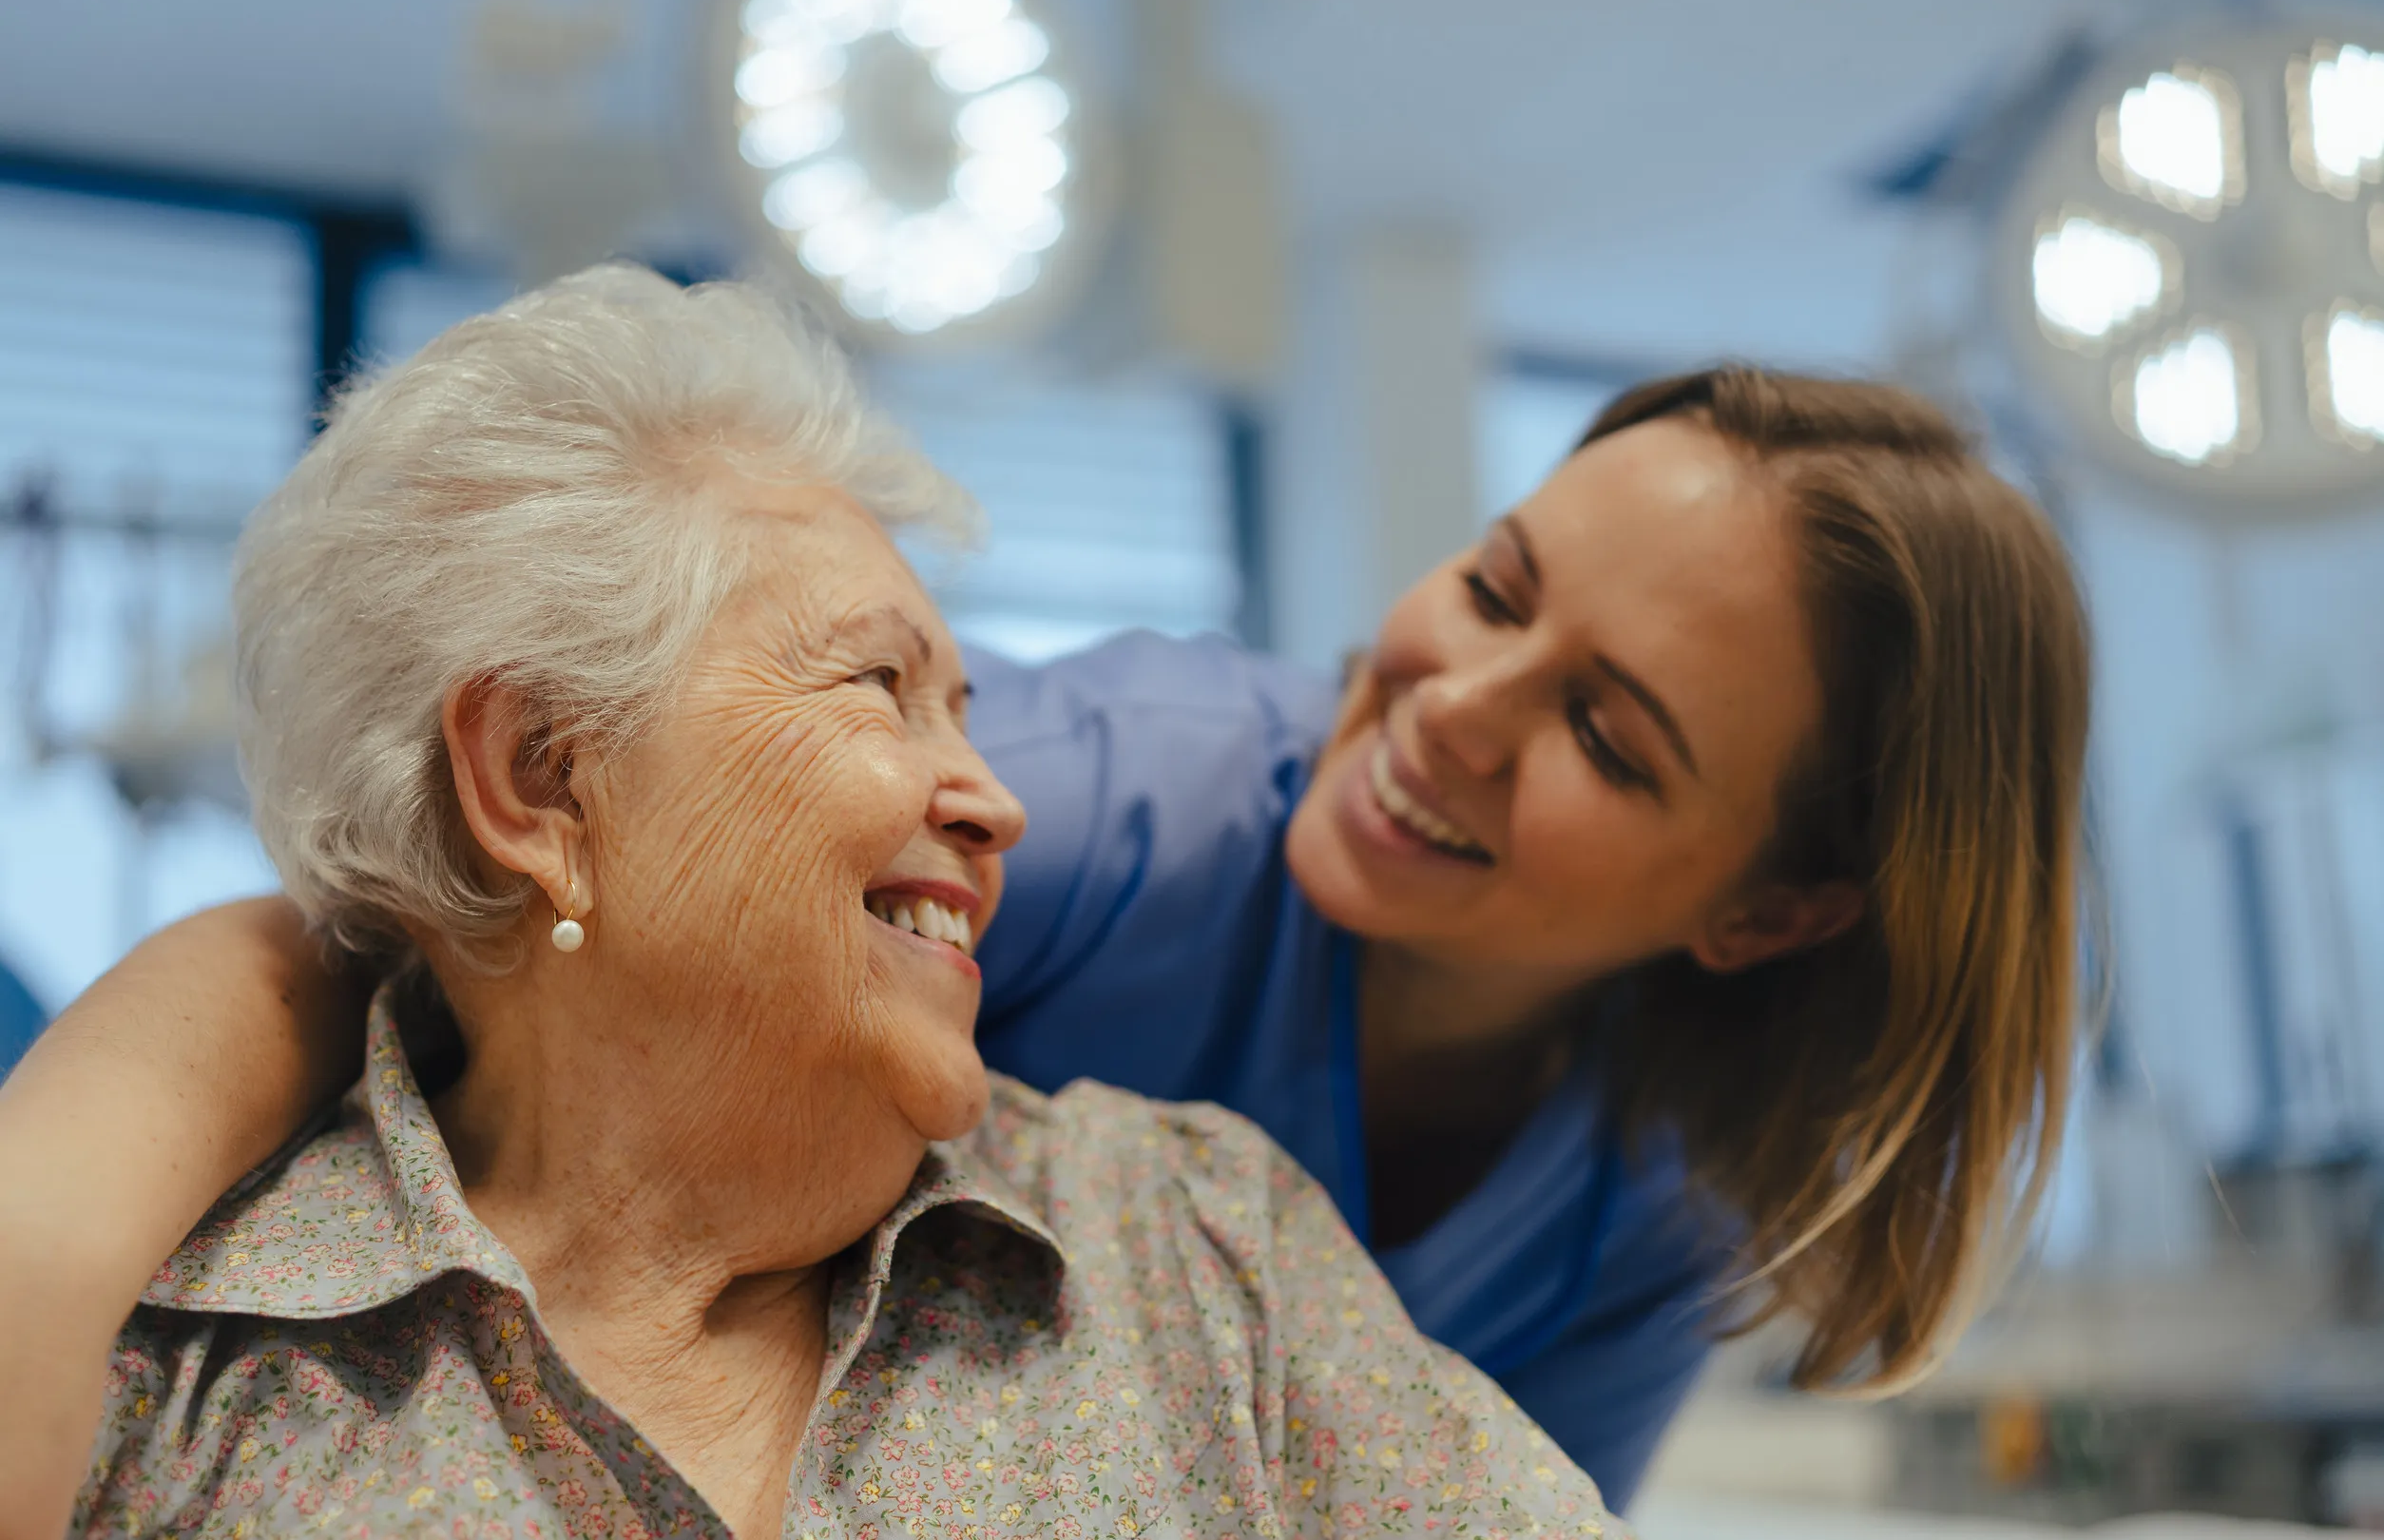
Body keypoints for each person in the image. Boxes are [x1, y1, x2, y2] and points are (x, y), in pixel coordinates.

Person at [0, 329, 2093, 1518]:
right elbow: (410, 917)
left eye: (1612, 739)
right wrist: (39, 1227)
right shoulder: (1145, 800)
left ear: (1770, 909)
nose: (1449, 707)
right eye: (1495, 581)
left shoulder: (1369, 1230)